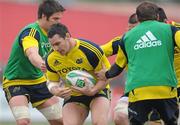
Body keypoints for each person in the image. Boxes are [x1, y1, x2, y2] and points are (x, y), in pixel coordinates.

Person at [96, 1, 180, 125]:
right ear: (156, 17)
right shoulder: (171, 31)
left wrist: (106, 74)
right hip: (166, 89)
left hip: (139, 91)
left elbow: (118, 66)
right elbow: (100, 51)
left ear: (138, 19)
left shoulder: (127, 38)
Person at [2, 1, 67, 125]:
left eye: (60, 18)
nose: (58, 22)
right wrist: (42, 64)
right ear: (43, 16)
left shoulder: (54, 35)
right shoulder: (31, 32)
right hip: (16, 82)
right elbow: (32, 54)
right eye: (55, 18)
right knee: (23, 122)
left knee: (61, 121)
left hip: (39, 82)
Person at [45, 23, 111, 125]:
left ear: (67, 36)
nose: (56, 48)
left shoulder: (90, 50)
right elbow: (52, 81)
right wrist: (55, 90)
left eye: (58, 43)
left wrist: (92, 91)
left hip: (98, 91)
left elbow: (108, 76)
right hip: (74, 95)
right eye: (52, 45)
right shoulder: (51, 58)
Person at [101, 13, 138, 125]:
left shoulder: (162, 40)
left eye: (134, 29)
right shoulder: (123, 41)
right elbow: (97, 51)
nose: (131, 33)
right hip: (133, 90)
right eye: (129, 29)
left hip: (163, 89)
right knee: (120, 116)